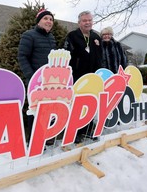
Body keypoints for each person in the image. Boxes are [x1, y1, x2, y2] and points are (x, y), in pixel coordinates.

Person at [18, 9, 56, 144]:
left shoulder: (51, 38)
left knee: (48, 108)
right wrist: (32, 76)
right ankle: (33, 139)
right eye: (46, 18)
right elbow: (22, 56)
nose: (49, 21)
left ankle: (46, 135)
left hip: (49, 81)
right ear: (38, 21)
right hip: (35, 81)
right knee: (34, 109)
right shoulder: (29, 35)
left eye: (51, 19)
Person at [64, 11, 102, 143]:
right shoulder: (72, 36)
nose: (87, 22)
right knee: (77, 104)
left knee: (90, 102)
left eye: (89, 20)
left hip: (92, 77)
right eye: (84, 20)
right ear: (79, 22)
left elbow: (100, 57)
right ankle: (76, 131)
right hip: (77, 76)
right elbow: (67, 56)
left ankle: (87, 128)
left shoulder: (96, 37)